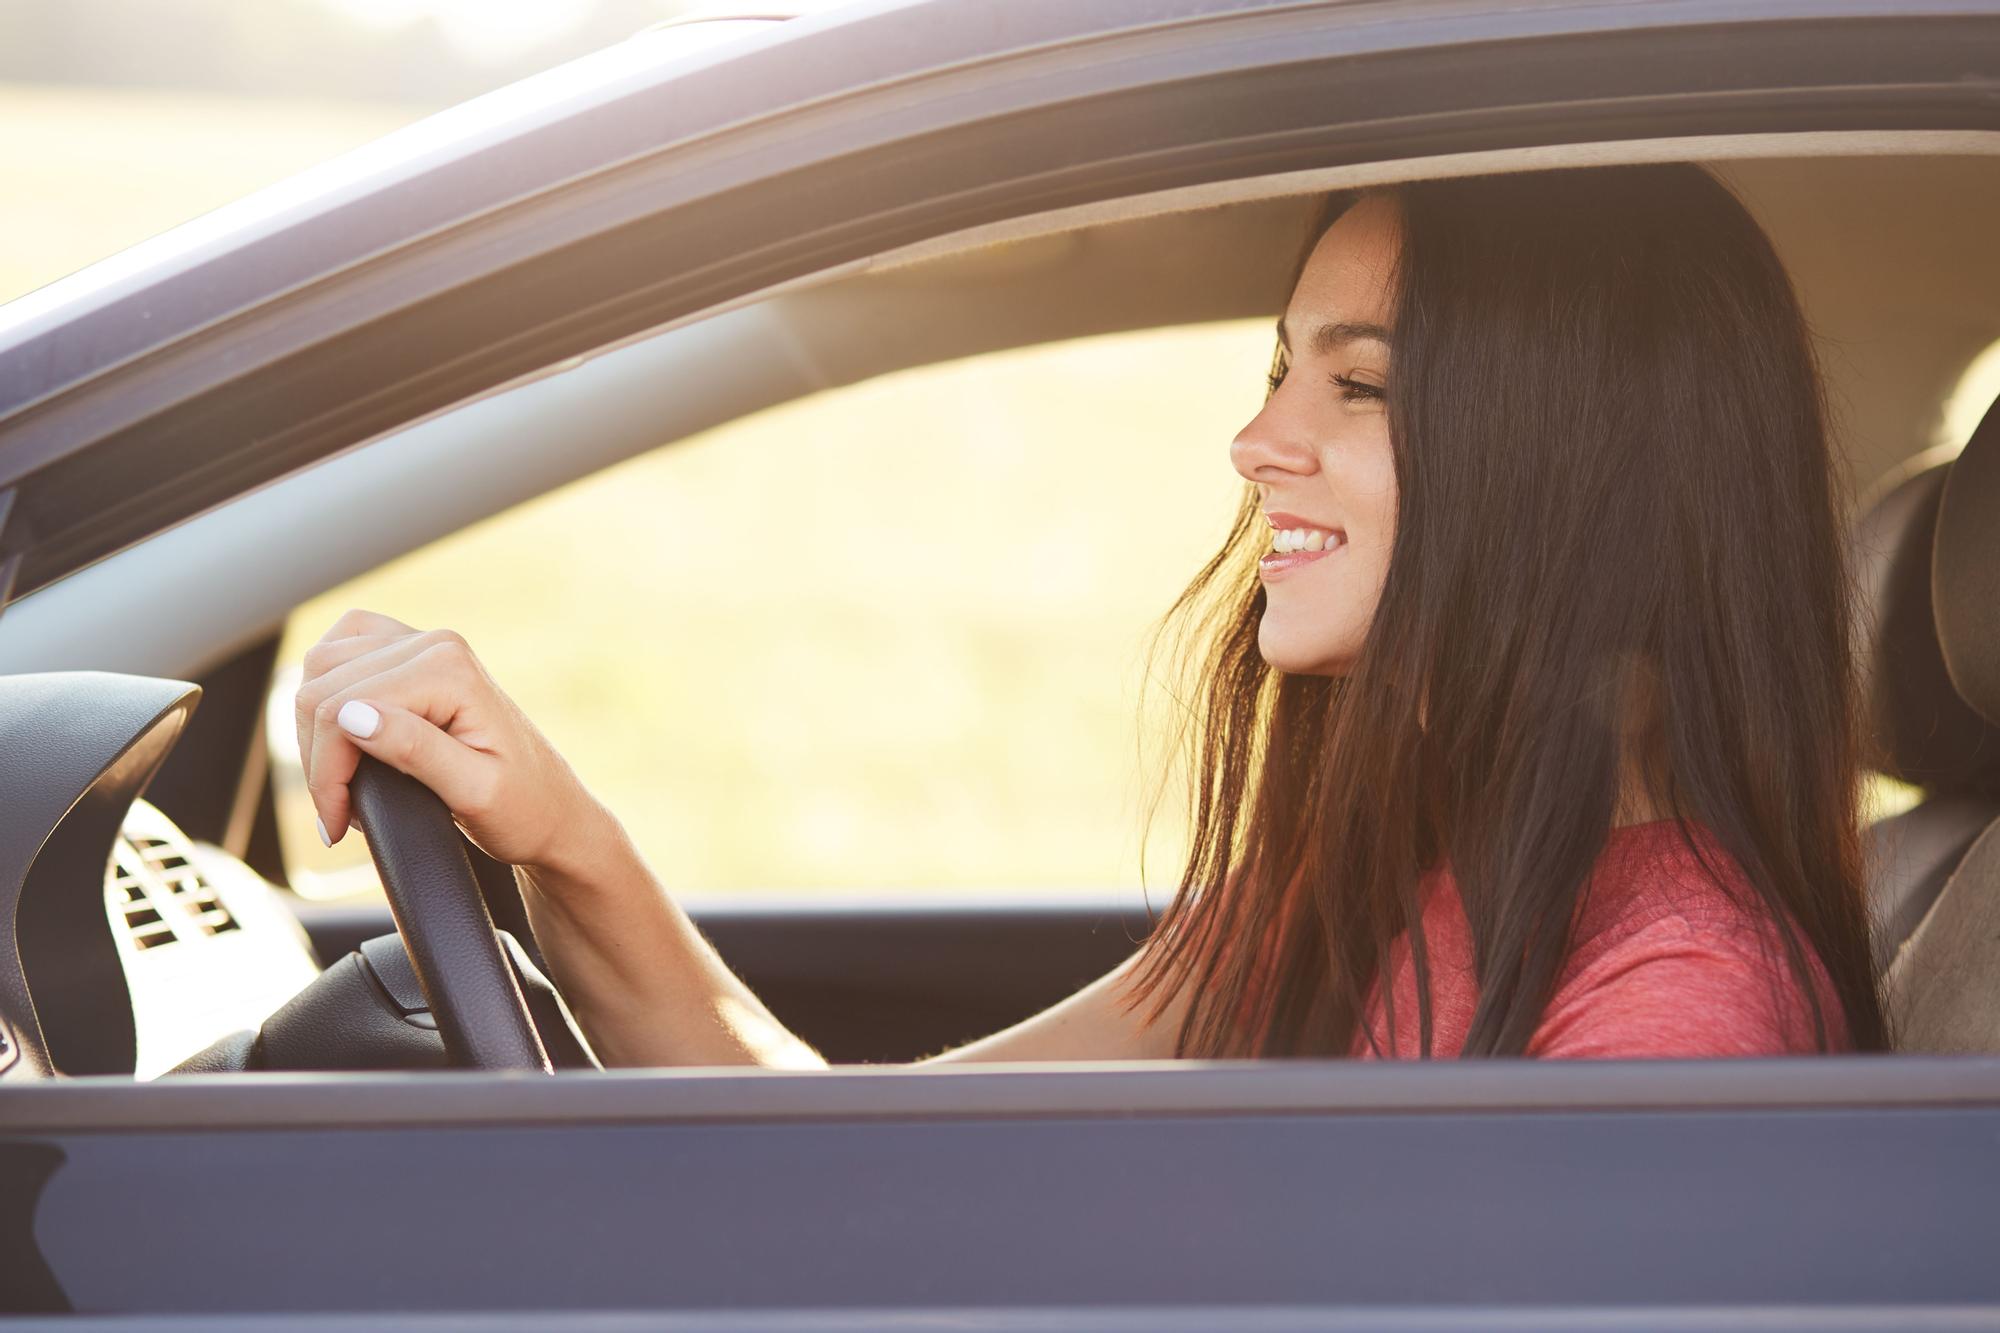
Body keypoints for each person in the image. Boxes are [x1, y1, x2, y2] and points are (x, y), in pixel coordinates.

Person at [294, 163, 1887, 1066]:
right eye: (1280, 368)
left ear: (1577, 471)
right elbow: (869, 1148)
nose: (1260, 442)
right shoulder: (1388, 871)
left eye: (1361, 386)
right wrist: (558, 833)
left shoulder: (1676, 1011)